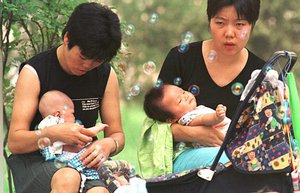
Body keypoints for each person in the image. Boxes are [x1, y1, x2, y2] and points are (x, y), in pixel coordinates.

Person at [7, 2, 124, 193]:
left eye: (97, 61)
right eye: (83, 57)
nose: (87, 66)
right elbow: (15, 141)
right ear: (67, 38)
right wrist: (55, 134)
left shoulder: (105, 75)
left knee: (99, 192)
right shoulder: (35, 72)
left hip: (82, 160)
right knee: (68, 177)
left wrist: (108, 144)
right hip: (36, 160)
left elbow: (117, 134)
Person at [142, 0, 265, 174]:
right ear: (209, 21)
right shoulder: (181, 58)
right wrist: (195, 134)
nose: (229, 33)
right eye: (220, 23)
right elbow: (154, 125)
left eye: (240, 24)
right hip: (186, 164)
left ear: (252, 25)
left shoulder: (262, 73)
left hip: (242, 164)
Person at [37, 90, 133, 193]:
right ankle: (117, 181)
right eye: (72, 113)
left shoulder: (46, 125)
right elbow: (86, 133)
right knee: (101, 167)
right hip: (73, 163)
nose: (74, 117)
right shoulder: (54, 123)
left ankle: (117, 181)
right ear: (58, 115)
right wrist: (96, 128)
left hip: (77, 165)